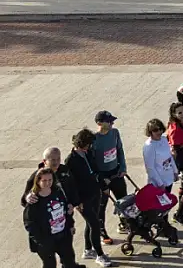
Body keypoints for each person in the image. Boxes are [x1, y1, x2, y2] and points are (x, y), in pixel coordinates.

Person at [60, 131, 109, 266]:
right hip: (83, 198)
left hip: (94, 192)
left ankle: (88, 250)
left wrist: (103, 186)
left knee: (90, 223)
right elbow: (71, 184)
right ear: (80, 143)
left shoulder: (88, 153)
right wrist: (76, 202)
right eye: (87, 144)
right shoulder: (71, 160)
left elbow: (96, 170)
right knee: (95, 224)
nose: (89, 147)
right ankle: (100, 254)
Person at [24, 168, 80, 268]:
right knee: (50, 265)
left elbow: (66, 210)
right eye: (44, 180)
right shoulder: (34, 200)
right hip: (46, 240)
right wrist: (41, 240)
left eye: (50, 180)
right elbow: (29, 223)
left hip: (63, 235)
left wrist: (70, 224)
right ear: (38, 181)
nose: (47, 183)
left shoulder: (58, 192)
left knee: (70, 262)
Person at [89, 111, 127, 246]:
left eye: (112, 121)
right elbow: (91, 162)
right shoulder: (93, 139)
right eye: (109, 121)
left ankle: (125, 223)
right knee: (101, 205)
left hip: (115, 172)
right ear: (99, 123)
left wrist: (123, 167)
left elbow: (120, 150)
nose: (112, 124)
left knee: (124, 200)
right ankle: (102, 232)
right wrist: (99, 179)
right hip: (102, 177)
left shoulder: (115, 133)